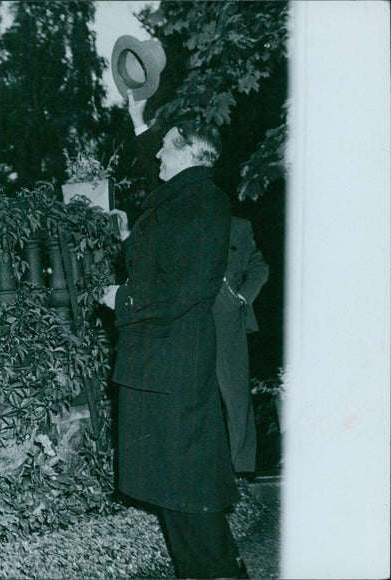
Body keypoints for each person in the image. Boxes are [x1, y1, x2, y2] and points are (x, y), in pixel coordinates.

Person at [99, 90, 246, 579]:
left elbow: (183, 288)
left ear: (185, 148)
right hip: (161, 364)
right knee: (178, 498)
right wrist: (137, 116)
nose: (157, 154)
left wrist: (121, 298)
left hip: (175, 368)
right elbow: (151, 175)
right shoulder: (184, 195)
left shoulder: (205, 202)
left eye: (165, 146)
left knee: (191, 498)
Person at [213, 217, 269, 476]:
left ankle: (242, 469)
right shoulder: (180, 220)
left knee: (235, 393)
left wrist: (241, 298)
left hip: (228, 316)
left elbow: (260, 267)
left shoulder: (238, 226)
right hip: (191, 314)